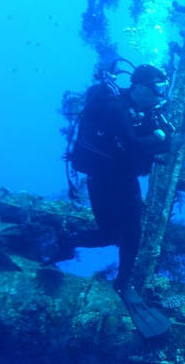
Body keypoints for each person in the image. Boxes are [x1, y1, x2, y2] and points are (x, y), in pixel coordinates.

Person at [47, 62, 173, 337]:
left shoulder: (142, 109)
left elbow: (149, 144)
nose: (161, 94)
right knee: (127, 234)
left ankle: (70, 241)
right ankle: (123, 285)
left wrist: (157, 133)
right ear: (138, 87)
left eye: (164, 88)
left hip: (115, 178)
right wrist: (161, 136)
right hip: (106, 179)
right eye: (157, 88)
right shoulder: (117, 107)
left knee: (115, 234)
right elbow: (134, 143)